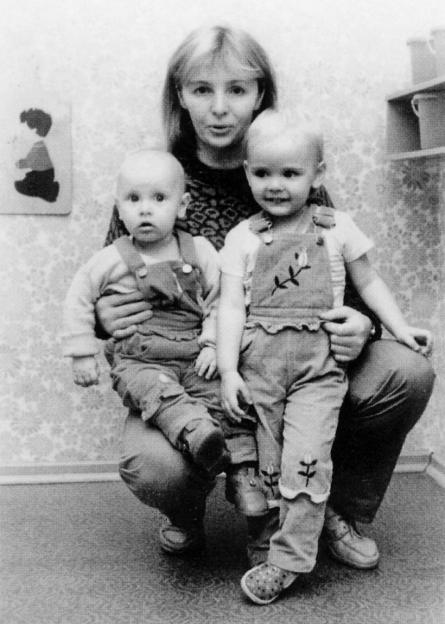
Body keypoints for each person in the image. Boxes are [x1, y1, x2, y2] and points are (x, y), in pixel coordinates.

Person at [95, 25, 434, 569]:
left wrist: (362, 325)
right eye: (202, 89)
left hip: (300, 361)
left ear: (260, 95)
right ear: (180, 95)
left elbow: (347, 278)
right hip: (199, 374)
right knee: (153, 466)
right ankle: (187, 511)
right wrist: (103, 316)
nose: (219, 108)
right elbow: (108, 286)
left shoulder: (294, 170)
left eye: (237, 89)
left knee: (408, 371)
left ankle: (332, 510)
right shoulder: (155, 181)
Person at [217, 108, 433, 604]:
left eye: (290, 173)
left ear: (318, 175)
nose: (275, 185)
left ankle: (290, 560)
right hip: (259, 367)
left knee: (307, 458)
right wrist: (228, 370)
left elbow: (369, 282)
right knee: (268, 460)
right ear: (247, 172)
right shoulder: (242, 238)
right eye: (262, 173)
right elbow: (230, 306)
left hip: (318, 370)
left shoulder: (337, 228)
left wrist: (400, 328)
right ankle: (267, 540)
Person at [63, 148, 233, 483]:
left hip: (193, 355)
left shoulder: (200, 250)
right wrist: (82, 352)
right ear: (119, 208)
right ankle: (196, 433)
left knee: (221, 398)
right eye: (133, 199)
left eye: (158, 198)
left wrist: (213, 344)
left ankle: (238, 469)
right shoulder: (111, 259)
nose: (145, 209)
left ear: (182, 205)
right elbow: (78, 298)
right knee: (156, 391)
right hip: (140, 361)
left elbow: (221, 299)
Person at [15, 108, 60, 202]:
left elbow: (31, 161)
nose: (22, 134)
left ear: (35, 130)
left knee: (21, 186)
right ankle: (48, 189)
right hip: (43, 173)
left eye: (25, 130)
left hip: (44, 174)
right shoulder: (38, 144)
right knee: (23, 183)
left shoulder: (38, 146)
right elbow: (31, 160)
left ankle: (48, 191)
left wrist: (21, 164)